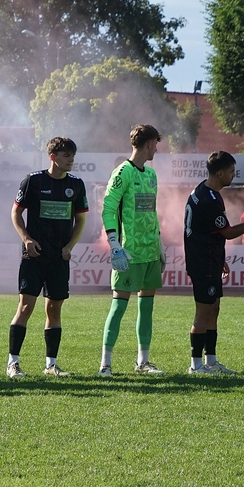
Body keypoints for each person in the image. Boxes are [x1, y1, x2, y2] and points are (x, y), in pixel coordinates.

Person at [6, 137, 89, 379]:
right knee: (25, 307)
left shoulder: (76, 185)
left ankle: (51, 364)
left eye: (72, 155)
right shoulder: (33, 181)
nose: (71, 160)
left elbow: (80, 220)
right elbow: (16, 213)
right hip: (34, 256)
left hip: (59, 258)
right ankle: (13, 363)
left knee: (54, 309)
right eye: (66, 155)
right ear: (53, 157)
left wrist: (69, 246)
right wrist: (26, 239)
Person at [184, 152, 244, 374]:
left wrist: (220, 258)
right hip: (203, 262)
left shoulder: (205, 191)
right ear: (220, 173)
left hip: (210, 259)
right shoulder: (209, 200)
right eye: (231, 171)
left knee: (214, 308)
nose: (233, 175)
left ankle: (211, 361)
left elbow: (211, 232)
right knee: (203, 312)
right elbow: (228, 233)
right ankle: (196, 365)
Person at [99, 124, 165, 376]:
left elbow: (152, 213)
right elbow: (108, 208)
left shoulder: (152, 175)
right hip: (128, 253)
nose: (157, 149)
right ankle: (105, 364)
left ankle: (143, 362)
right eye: (156, 144)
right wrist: (114, 244)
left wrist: (159, 245)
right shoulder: (122, 173)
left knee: (147, 307)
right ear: (148, 144)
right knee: (118, 307)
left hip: (150, 253)